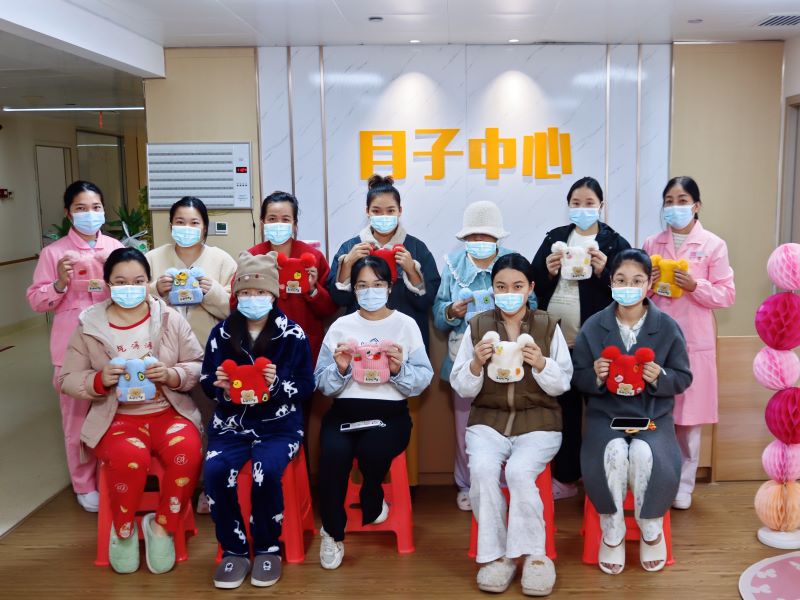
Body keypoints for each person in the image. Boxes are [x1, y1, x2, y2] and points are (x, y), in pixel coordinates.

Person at [59, 247, 204, 574]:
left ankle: (162, 527)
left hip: (169, 413)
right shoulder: (90, 325)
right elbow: (67, 379)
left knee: (188, 451)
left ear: (148, 282)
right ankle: (123, 529)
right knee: (130, 458)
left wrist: (172, 375)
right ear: (108, 284)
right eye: (121, 282)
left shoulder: (169, 318)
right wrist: (99, 380)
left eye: (138, 281)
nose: (130, 288)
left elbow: (196, 364)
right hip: (116, 419)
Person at [450, 253, 571, 596]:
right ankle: (496, 556)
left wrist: (542, 363)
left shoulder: (547, 325)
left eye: (517, 286)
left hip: (539, 422)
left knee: (519, 472)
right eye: (501, 287)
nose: (509, 293)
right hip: (488, 421)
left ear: (530, 288)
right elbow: (462, 386)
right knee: (483, 470)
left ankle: (535, 556)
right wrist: (476, 363)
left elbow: (562, 382)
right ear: (493, 289)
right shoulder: (478, 326)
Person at [572, 249, 692, 574]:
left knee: (642, 452)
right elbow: (577, 377)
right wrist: (595, 375)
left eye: (637, 280)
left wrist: (661, 376)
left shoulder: (667, 327)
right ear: (611, 282)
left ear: (648, 283)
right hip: (606, 417)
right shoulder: (593, 327)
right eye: (621, 280)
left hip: (652, 418)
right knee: (612, 452)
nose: (629, 287)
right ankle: (612, 531)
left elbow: (683, 377)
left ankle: (651, 527)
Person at [201, 251, 315, 589]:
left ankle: (268, 547)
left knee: (265, 473)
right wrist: (221, 388)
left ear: (274, 294)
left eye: (261, 292)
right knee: (215, 471)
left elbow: (306, 386)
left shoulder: (292, 334)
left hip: (279, 427)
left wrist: (276, 384)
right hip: (230, 427)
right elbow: (206, 381)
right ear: (236, 295)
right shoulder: (221, 334)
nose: (253, 299)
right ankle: (234, 550)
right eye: (246, 292)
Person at [315, 255, 433, 570]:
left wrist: (398, 370)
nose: (370, 291)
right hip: (344, 413)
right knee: (333, 455)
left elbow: (423, 379)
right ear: (353, 289)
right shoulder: (341, 326)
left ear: (390, 287)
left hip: (390, 415)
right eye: (362, 285)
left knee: (372, 449)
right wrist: (340, 369)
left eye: (377, 284)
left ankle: (372, 493)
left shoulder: (405, 324)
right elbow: (321, 383)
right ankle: (332, 532)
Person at [327, 174, 440, 484]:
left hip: (402, 349)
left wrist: (411, 270)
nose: (384, 216)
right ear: (367, 212)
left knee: (401, 410)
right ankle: (365, 484)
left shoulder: (415, 247)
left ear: (400, 211)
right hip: (359, 349)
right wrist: (347, 265)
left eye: (390, 210)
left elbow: (428, 298)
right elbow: (337, 298)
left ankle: (406, 483)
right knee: (360, 415)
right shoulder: (352, 246)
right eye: (377, 210)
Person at [530, 176, 631, 499]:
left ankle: (605, 479)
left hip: (598, 344)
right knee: (565, 412)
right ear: (568, 206)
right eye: (576, 203)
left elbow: (629, 289)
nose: (582, 209)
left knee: (602, 412)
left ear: (601, 206)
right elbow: (532, 284)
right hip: (557, 341)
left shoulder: (614, 243)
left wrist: (605, 272)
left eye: (589, 203)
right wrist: (547, 271)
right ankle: (566, 478)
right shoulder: (556, 238)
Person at [26, 180, 124, 512]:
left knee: (116, 413)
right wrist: (59, 282)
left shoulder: (115, 248)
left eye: (95, 207)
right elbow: (37, 301)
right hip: (71, 348)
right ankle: (84, 484)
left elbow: (132, 292)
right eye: (81, 208)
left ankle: (115, 475)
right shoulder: (54, 253)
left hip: (111, 344)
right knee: (76, 419)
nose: (89, 214)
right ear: (68, 213)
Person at [433, 200, 536, 511]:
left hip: (508, 357)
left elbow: (533, 306)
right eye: (473, 236)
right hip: (464, 357)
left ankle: (504, 484)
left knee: (507, 423)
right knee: (465, 426)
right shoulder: (453, 265)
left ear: (497, 237)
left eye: (486, 236)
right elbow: (438, 316)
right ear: (464, 238)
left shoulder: (512, 262)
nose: (479, 241)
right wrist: (452, 311)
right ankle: (467, 484)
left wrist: (512, 305)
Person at [642, 176, 734, 509]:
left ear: (696, 206)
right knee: (656, 414)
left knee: (689, 419)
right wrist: (647, 283)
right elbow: (636, 293)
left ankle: (684, 485)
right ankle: (655, 479)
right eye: (669, 201)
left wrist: (696, 286)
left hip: (694, 341)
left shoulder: (713, 245)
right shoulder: (652, 243)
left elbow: (726, 295)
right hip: (656, 339)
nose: (674, 207)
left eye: (682, 200)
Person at [146, 196, 237, 513]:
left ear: (205, 228)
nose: (186, 228)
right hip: (161, 357)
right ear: (171, 225)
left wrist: (211, 290)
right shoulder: (152, 258)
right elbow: (133, 301)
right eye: (180, 222)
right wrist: (156, 289)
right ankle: (175, 488)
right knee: (171, 422)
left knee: (210, 420)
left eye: (194, 222)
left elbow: (233, 309)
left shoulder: (222, 261)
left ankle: (208, 487)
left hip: (206, 354)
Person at [235, 190, 337, 362]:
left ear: (295, 225)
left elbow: (329, 309)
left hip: (304, 345)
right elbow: (234, 304)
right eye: (272, 219)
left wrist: (312, 289)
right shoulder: (252, 257)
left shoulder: (312, 257)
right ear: (262, 223)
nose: (278, 224)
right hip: (261, 345)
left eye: (285, 219)